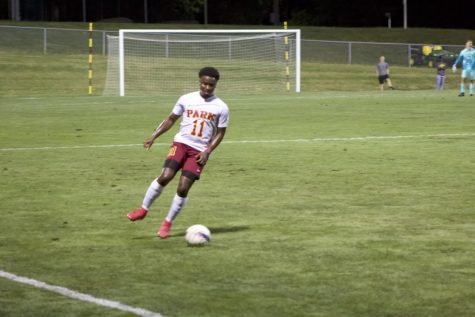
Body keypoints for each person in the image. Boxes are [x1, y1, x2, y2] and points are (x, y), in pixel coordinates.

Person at [127, 66, 230, 239]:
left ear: (215, 84)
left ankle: (167, 223)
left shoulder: (221, 107)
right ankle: (143, 210)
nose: (206, 87)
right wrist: (153, 136)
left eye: (210, 85)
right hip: (181, 143)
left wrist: (208, 151)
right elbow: (171, 119)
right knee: (165, 176)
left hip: (198, 151)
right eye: (204, 83)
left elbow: (220, 133)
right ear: (199, 81)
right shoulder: (186, 98)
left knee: (183, 188)